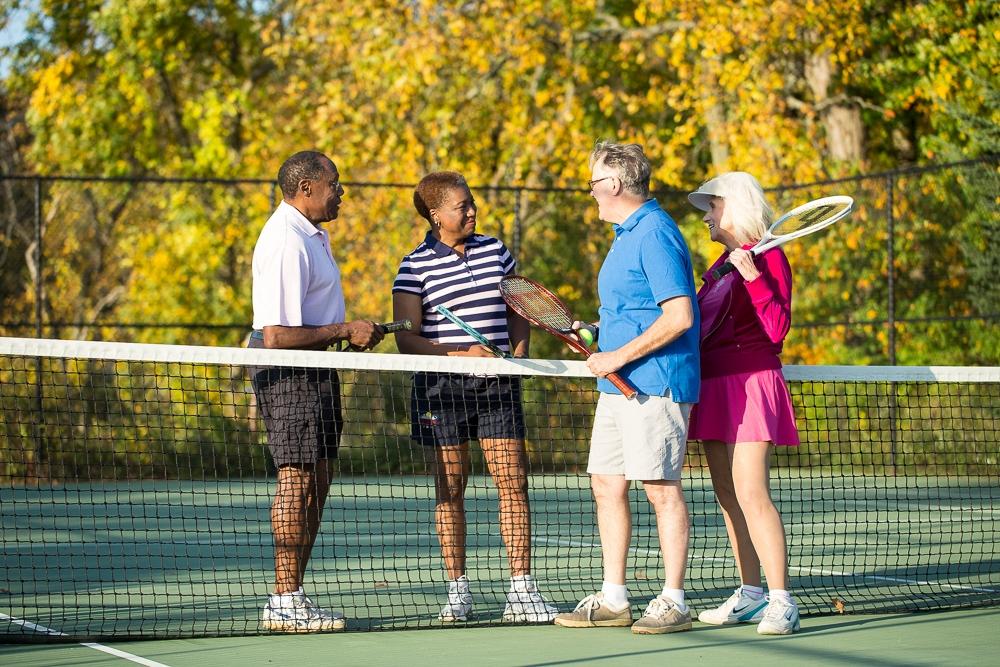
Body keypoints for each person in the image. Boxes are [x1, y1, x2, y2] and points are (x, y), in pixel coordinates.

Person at [391, 171, 558, 624]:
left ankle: (521, 591)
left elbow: (517, 306)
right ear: (435, 214)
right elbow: (408, 339)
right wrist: (463, 352)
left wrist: (518, 354)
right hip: (441, 389)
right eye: (461, 206)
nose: (471, 211)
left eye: (472, 203)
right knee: (450, 489)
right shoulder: (413, 265)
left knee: (513, 483)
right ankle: (457, 591)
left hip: (497, 385)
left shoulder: (496, 250)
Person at [553, 141, 700, 635]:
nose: (590, 193)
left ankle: (673, 599)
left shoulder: (655, 232)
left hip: (655, 386)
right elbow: (636, 310)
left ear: (613, 184)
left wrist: (616, 355)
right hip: (618, 390)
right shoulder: (624, 235)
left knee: (660, 490)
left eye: (592, 183)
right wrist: (598, 332)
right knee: (606, 485)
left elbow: (679, 316)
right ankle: (615, 598)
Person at [250, 150, 385, 632]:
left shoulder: (313, 234)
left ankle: (292, 596)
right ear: (306, 188)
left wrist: (347, 333)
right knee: (298, 478)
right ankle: (283, 598)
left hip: (314, 367)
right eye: (335, 184)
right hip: (289, 369)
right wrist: (345, 329)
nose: (341, 192)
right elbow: (276, 335)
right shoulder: (287, 239)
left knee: (319, 477)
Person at [686, 171, 801, 635]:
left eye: (711, 207)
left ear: (732, 206)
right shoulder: (719, 265)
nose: (706, 218)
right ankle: (750, 592)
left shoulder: (768, 256)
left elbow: (776, 330)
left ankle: (781, 600)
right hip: (711, 384)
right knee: (728, 496)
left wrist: (754, 278)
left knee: (752, 493)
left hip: (752, 381)